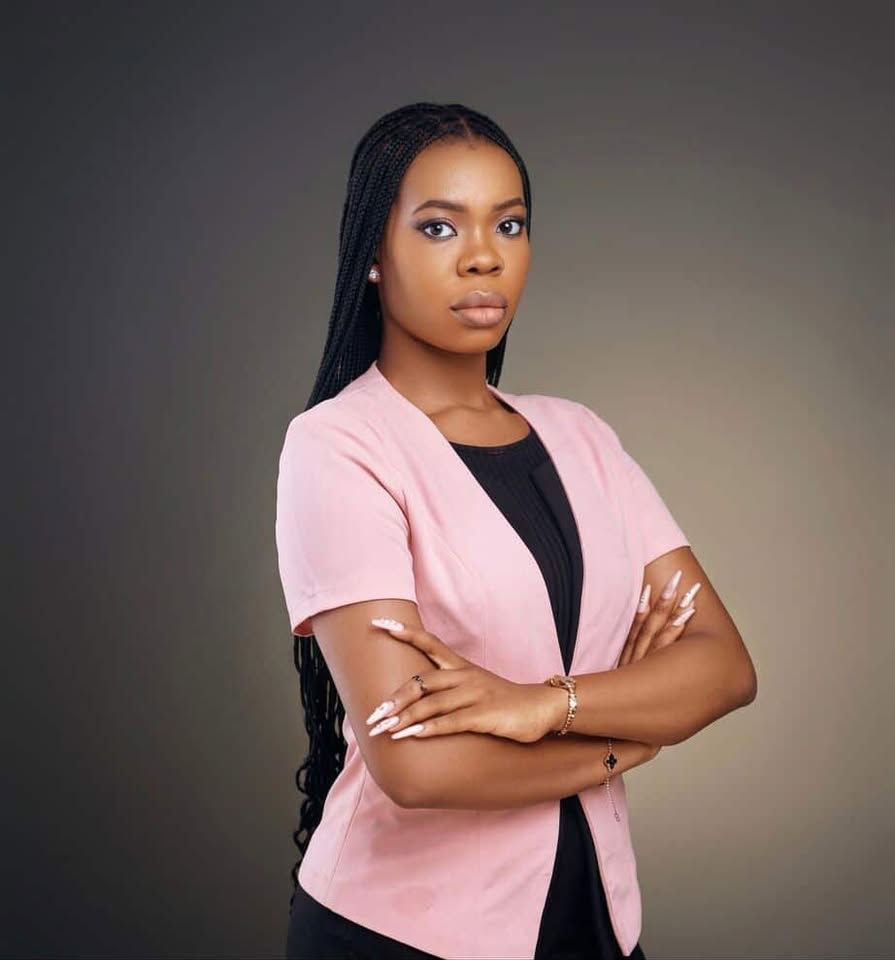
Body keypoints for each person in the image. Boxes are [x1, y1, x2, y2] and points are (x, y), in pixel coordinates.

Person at [274, 101, 757, 960]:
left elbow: (723, 667)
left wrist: (541, 706)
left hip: (598, 921)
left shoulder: (581, 436)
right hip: (402, 934)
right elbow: (416, 767)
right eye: (437, 226)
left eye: (508, 223)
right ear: (373, 255)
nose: (483, 255)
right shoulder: (340, 446)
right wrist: (628, 736)